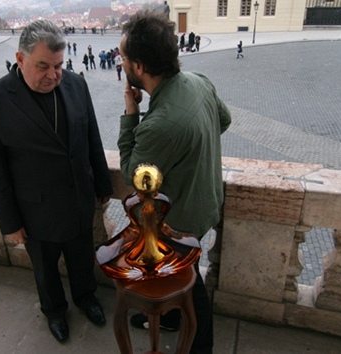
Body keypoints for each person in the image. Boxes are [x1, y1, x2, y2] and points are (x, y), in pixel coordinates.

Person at [0, 19, 113, 343]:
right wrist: (9, 223)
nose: (53, 75)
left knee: (82, 259)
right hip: (36, 213)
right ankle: (54, 312)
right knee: (45, 272)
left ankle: (86, 298)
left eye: (59, 65)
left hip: (79, 200)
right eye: (43, 66)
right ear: (20, 59)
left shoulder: (77, 85)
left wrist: (103, 185)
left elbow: (92, 137)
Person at [117, 11, 231, 354]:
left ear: (138, 67)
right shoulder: (199, 80)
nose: (120, 62)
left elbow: (130, 175)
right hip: (208, 200)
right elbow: (223, 121)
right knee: (178, 275)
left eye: (123, 57)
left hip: (182, 221)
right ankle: (168, 319)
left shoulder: (160, 125)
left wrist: (130, 113)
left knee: (191, 286)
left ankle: (200, 346)